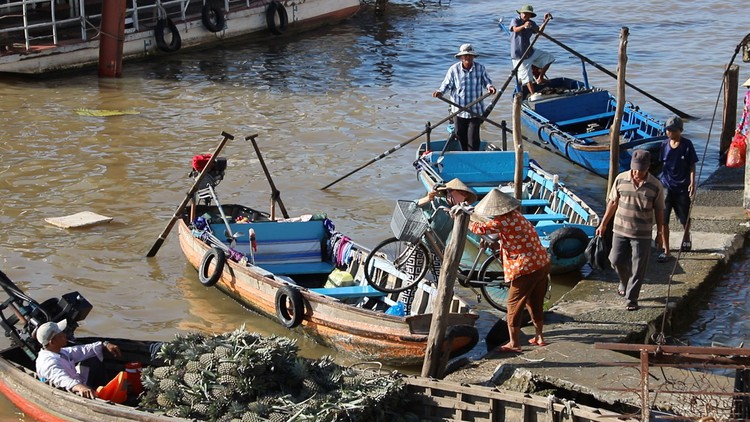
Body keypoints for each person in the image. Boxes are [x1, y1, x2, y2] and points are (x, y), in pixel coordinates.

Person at [469, 188, 551, 353]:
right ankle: (539, 336)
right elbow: (503, 233)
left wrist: (463, 216)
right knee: (534, 301)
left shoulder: (503, 221)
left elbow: (479, 229)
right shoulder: (517, 216)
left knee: (513, 303)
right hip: (541, 262)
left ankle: (514, 343)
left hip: (526, 267)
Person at [595, 149, 666, 311]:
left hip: (642, 233)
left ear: (648, 168)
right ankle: (625, 282)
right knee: (615, 260)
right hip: (620, 230)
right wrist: (603, 223)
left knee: (639, 266)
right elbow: (612, 203)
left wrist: (660, 234)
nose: (637, 173)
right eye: (635, 169)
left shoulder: (655, 185)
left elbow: (659, 210)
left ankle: (632, 298)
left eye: (641, 170)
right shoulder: (621, 179)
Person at [35, 320, 122, 398]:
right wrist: (80, 387)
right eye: (61, 335)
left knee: (93, 357)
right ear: (52, 342)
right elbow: (62, 379)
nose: (65, 335)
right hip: (70, 391)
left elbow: (83, 350)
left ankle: (106, 390)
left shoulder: (60, 351)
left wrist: (105, 344)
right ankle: (103, 395)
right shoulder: (48, 363)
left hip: (78, 381)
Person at [433, 44, 497, 152]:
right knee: (460, 135)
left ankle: (474, 157)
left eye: (469, 56)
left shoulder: (480, 68)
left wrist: (490, 87)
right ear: (461, 57)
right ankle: (464, 154)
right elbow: (446, 84)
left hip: (475, 110)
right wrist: (440, 92)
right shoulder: (454, 69)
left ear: (473, 57)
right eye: (465, 56)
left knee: (473, 138)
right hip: (458, 110)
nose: (467, 58)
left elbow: (486, 81)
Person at [656, 116, 698, 262]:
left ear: (679, 130)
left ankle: (686, 235)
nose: (669, 133)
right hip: (667, 187)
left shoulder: (687, 145)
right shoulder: (664, 145)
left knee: (683, 218)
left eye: (672, 130)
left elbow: (692, 165)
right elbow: (662, 165)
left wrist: (692, 183)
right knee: (664, 220)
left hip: (682, 187)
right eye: (668, 130)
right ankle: (666, 250)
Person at [509, 5, 554, 97]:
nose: (526, 16)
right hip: (519, 55)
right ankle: (533, 94)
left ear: (530, 15)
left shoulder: (531, 23)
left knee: (549, 57)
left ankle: (540, 78)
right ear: (521, 13)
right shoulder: (515, 20)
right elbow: (515, 29)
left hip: (530, 51)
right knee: (527, 77)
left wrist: (545, 21)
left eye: (528, 14)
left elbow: (539, 32)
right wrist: (524, 26)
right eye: (524, 13)